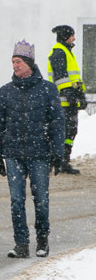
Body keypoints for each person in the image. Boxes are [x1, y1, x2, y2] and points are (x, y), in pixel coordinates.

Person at [0, 40, 64, 259]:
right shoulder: (5, 91)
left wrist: (58, 153)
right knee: (16, 200)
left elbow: (56, 123)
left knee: (40, 199)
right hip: (13, 153)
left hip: (39, 153)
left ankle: (42, 240)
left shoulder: (47, 90)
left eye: (19, 61)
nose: (15, 65)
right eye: (13, 62)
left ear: (30, 63)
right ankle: (21, 243)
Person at [46, 24, 85, 175]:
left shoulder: (66, 51)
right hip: (62, 102)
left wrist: (80, 95)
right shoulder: (59, 52)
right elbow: (61, 78)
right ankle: (56, 161)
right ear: (64, 36)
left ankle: (63, 161)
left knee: (70, 132)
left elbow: (73, 78)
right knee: (62, 132)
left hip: (69, 101)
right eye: (71, 35)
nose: (74, 38)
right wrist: (70, 95)